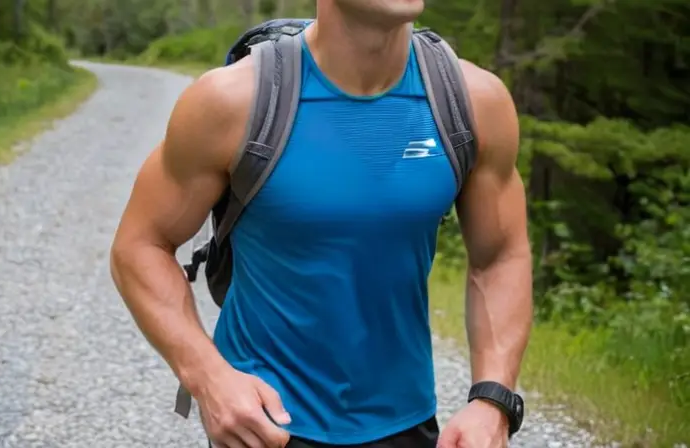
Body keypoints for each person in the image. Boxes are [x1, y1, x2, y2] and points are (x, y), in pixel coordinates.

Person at [109, 0, 533, 447]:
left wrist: (493, 400)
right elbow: (140, 245)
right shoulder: (233, 101)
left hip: (407, 423)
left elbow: (500, 255)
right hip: (266, 420)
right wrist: (209, 377)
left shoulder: (471, 102)